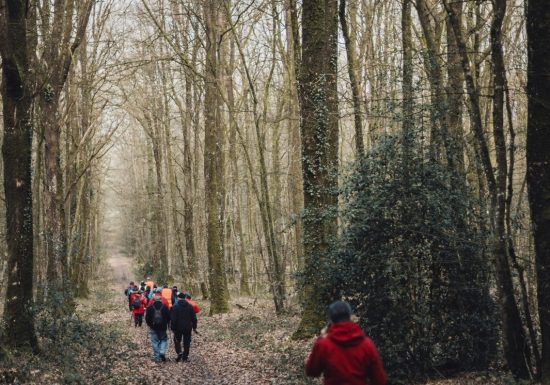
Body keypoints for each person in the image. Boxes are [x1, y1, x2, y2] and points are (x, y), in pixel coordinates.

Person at [305, 301, 387, 385]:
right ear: (349, 316)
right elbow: (380, 380)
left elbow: (312, 371)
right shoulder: (366, 344)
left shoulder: (324, 345)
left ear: (331, 319)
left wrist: (320, 339)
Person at [170, 292, 197, 362]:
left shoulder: (175, 307)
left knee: (177, 341)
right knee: (187, 342)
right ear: (185, 298)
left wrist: (172, 327)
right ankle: (185, 356)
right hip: (188, 327)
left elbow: (173, 319)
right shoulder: (190, 306)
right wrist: (194, 327)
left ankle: (179, 352)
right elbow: (194, 318)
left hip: (178, 328)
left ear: (178, 298)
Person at [145, 295, 171, 362]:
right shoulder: (165, 307)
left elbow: (147, 318)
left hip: (153, 327)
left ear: (153, 300)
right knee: (163, 340)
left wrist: (149, 324)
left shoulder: (150, 307)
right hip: (163, 327)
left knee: (155, 342)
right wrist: (168, 325)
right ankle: (162, 351)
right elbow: (169, 317)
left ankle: (157, 358)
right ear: (160, 299)